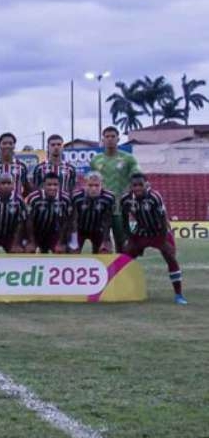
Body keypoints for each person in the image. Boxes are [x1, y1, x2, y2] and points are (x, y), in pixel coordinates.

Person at [121, 173, 187, 305]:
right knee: (125, 257)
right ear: (131, 186)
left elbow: (163, 219)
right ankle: (124, 289)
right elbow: (124, 219)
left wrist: (163, 240)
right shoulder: (126, 199)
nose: (138, 188)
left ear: (146, 184)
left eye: (141, 184)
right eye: (135, 185)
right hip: (141, 232)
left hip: (159, 232)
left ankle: (179, 295)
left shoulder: (154, 197)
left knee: (170, 257)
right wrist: (130, 237)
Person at [89, 126, 141, 252]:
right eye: (107, 136)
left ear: (118, 139)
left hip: (120, 208)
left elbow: (137, 176)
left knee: (122, 244)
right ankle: (100, 271)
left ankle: (122, 270)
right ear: (103, 139)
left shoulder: (128, 158)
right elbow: (91, 182)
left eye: (113, 136)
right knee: (100, 245)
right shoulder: (96, 160)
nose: (110, 139)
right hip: (100, 209)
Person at [24, 173, 73, 253]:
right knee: (29, 250)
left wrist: (60, 243)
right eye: (49, 185)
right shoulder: (33, 198)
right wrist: (31, 242)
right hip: (35, 232)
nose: (52, 187)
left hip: (53, 233)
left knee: (61, 250)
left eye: (55, 185)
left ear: (59, 185)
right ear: (43, 185)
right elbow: (28, 220)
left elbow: (66, 221)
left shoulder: (65, 199)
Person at [70, 171, 115, 253]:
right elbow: (73, 219)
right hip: (80, 229)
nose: (93, 188)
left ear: (101, 185)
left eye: (96, 185)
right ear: (85, 184)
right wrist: (74, 241)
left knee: (105, 252)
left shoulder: (109, 197)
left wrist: (105, 241)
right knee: (72, 251)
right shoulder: (76, 196)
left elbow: (107, 220)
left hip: (99, 230)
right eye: (90, 185)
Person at [0, 132, 30, 197]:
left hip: (15, 206)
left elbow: (27, 188)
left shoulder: (21, 166)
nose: (7, 146)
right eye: (4, 143)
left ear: (14, 146)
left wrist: (19, 199)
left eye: (10, 143)